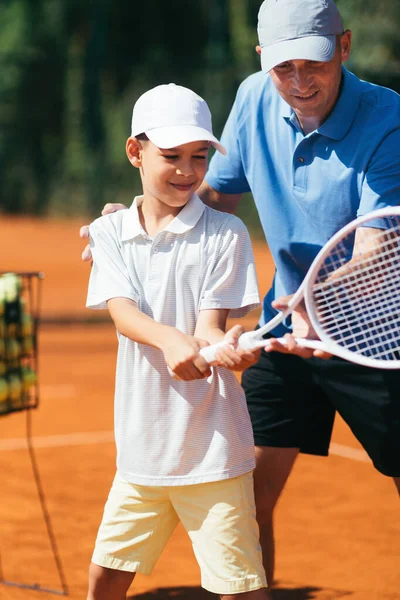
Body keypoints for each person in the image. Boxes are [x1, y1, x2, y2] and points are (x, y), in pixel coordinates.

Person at [81, 0, 400, 589]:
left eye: (315, 64)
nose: (299, 82)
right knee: (247, 496)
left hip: (370, 335)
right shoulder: (255, 97)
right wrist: (135, 221)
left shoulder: (390, 119)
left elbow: (374, 251)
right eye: (284, 68)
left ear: (345, 47)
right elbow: (211, 201)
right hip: (286, 323)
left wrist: (317, 305)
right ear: (263, 60)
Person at [85, 82, 271, 600]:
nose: (187, 171)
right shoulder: (107, 232)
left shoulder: (227, 233)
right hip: (141, 453)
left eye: (199, 156)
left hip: (213, 455)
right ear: (134, 152)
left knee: (241, 589)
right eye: (171, 156)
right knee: (104, 578)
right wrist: (170, 340)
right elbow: (123, 314)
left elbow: (211, 328)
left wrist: (227, 346)